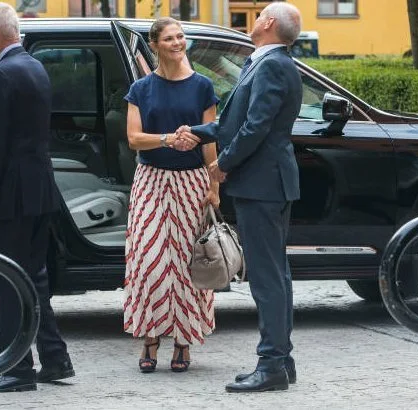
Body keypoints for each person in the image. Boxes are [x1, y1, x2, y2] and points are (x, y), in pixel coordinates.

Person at [179, 2, 303, 392]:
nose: (255, 18)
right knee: (274, 275)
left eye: (260, 13)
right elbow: (234, 122)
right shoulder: (266, 62)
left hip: (263, 184)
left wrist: (223, 165)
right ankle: (281, 360)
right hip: (266, 183)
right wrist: (198, 132)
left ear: (267, 23)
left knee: (268, 278)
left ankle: (272, 365)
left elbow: (255, 128)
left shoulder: (273, 65)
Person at [0, 2, 74, 393]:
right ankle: (55, 358)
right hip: (40, 190)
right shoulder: (34, 66)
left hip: (12, 196)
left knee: (6, 281)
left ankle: (16, 369)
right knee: (34, 278)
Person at [123, 17, 220, 373]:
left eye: (181, 37)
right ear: (155, 45)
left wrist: (214, 186)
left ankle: (183, 341)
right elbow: (134, 138)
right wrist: (168, 138)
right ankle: (150, 336)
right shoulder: (141, 89)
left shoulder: (202, 86)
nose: (178, 43)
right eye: (169, 38)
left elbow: (210, 140)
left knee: (188, 263)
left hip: (192, 181)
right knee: (148, 260)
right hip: (150, 180)